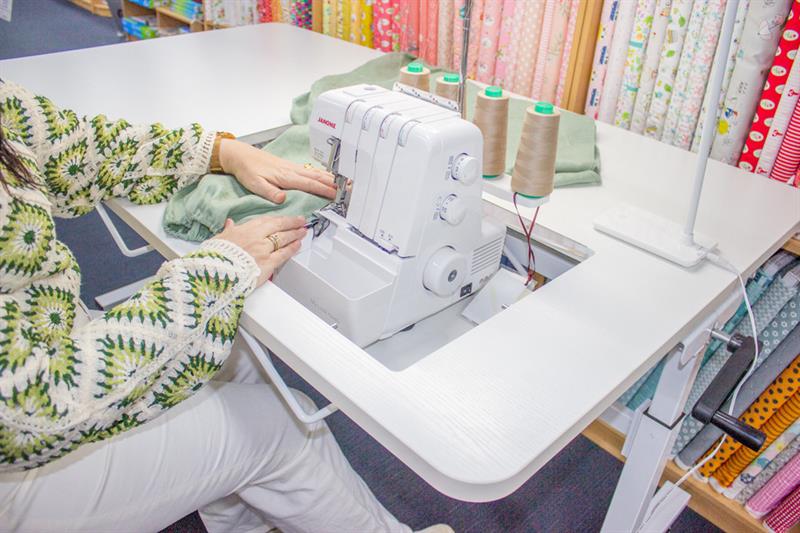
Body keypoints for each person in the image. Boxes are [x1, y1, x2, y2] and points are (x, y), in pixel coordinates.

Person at [0, 81, 451, 533]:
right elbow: (26, 407)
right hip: (25, 451)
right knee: (283, 424)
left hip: (44, 338)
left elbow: (71, 148)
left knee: (239, 354)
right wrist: (215, 273)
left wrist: (222, 152)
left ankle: (245, 517)